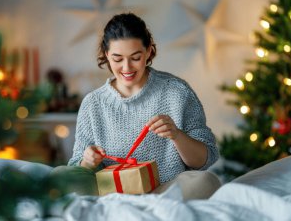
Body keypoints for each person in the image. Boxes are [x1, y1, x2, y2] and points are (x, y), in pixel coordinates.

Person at [66, 12, 220, 199]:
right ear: (106, 55)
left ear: (148, 51)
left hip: (165, 192)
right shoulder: (93, 104)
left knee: (206, 182)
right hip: (112, 194)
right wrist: (87, 161)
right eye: (117, 59)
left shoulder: (177, 92)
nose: (127, 67)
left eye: (135, 57)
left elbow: (205, 159)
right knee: (59, 176)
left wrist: (176, 135)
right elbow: (75, 168)